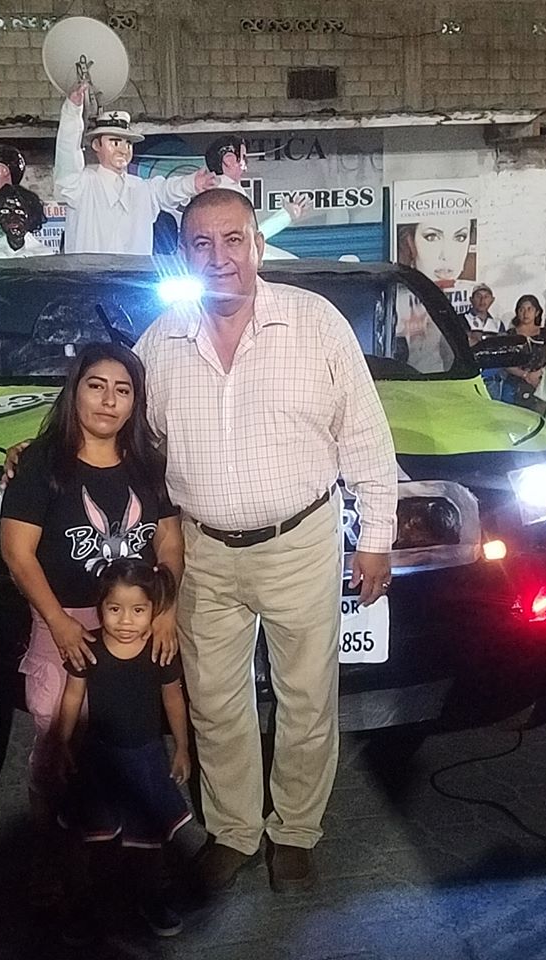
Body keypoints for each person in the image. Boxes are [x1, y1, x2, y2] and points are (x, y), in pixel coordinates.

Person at [134, 189, 397, 893]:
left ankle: (295, 831)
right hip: (200, 551)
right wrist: (40, 452)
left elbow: (366, 436)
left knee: (306, 697)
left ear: (256, 245)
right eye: (201, 244)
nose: (219, 257)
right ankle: (235, 831)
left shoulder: (314, 324)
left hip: (299, 542)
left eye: (233, 240)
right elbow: (120, 428)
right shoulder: (161, 340)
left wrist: (375, 538)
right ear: (184, 254)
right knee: (215, 701)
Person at [0, 343, 183, 838]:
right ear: (74, 390)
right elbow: (18, 553)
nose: (108, 400)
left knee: (127, 739)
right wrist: (59, 622)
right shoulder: (42, 464)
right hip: (65, 624)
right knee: (58, 741)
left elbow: (169, 542)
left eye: (123, 390)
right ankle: (49, 850)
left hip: (134, 625)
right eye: (96, 386)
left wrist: (164, 609)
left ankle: (120, 849)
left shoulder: (147, 465)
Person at [57, 558, 191, 940]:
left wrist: (182, 747)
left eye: (138, 610)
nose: (126, 621)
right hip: (99, 758)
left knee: (149, 841)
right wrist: (62, 741)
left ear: (154, 610)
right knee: (97, 838)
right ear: (100, 607)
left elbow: (173, 698)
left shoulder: (160, 651)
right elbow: (72, 696)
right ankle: (91, 905)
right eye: (115, 609)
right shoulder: (89, 647)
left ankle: (151, 899)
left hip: (146, 757)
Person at [52, 82, 216, 255]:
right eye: (115, 143)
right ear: (96, 145)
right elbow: (67, 156)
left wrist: (191, 184)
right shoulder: (81, 186)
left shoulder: (142, 189)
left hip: (134, 273)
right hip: (88, 273)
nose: (123, 150)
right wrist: (72, 112)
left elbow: (166, 190)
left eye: (128, 144)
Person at [203, 134, 311, 248]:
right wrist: (288, 214)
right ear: (229, 160)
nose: (246, 166)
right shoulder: (228, 195)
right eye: (244, 158)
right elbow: (248, 239)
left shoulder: (214, 192)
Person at [396, 216, 475, 315]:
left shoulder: (473, 296)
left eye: (460, 237)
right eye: (432, 237)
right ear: (410, 242)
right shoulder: (395, 299)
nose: (447, 256)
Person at [0, 184, 55, 259]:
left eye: (19, 212)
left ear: (31, 216)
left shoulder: (44, 255)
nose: (12, 218)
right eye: (5, 211)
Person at [498, 295, 546, 406]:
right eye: (521, 309)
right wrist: (525, 375)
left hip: (540, 383)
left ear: (537, 312)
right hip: (513, 385)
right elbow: (504, 361)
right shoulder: (510, 335)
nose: (525, 313)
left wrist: (538, 374)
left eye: (529, 309)